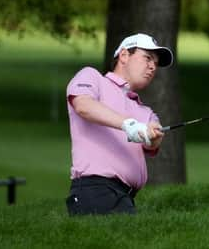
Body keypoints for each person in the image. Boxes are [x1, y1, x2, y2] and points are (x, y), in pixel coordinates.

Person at [64, 33, 173, 215]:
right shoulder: (92, 77)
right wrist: (128, 125)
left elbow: (153, 142)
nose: (153, 66)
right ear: (124, 56)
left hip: (125, 196)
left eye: (155, 62)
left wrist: (153, 137)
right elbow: (83, 105)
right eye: (147, 58)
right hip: (95, 189)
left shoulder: (145, 111)